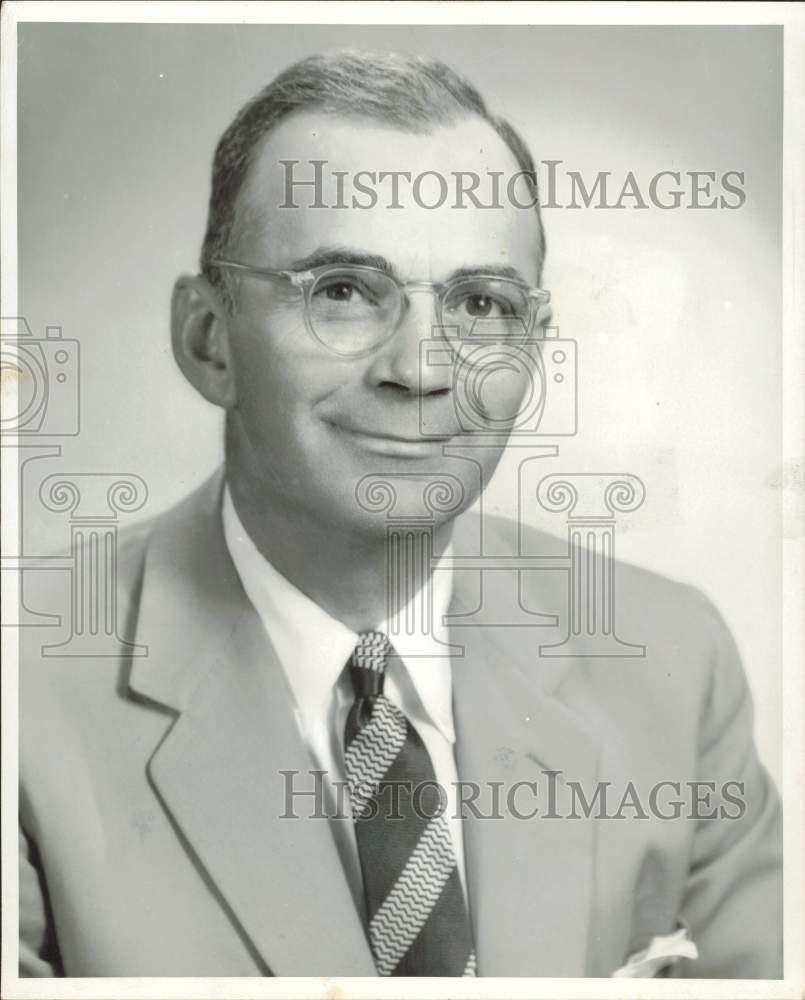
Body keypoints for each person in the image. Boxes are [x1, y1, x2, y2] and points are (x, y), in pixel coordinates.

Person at [19, 50, 782, 979]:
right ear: (206, 338)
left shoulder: (672, 659)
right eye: (341, 292)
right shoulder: (24, 688)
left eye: (480, 304)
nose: (419, 370)